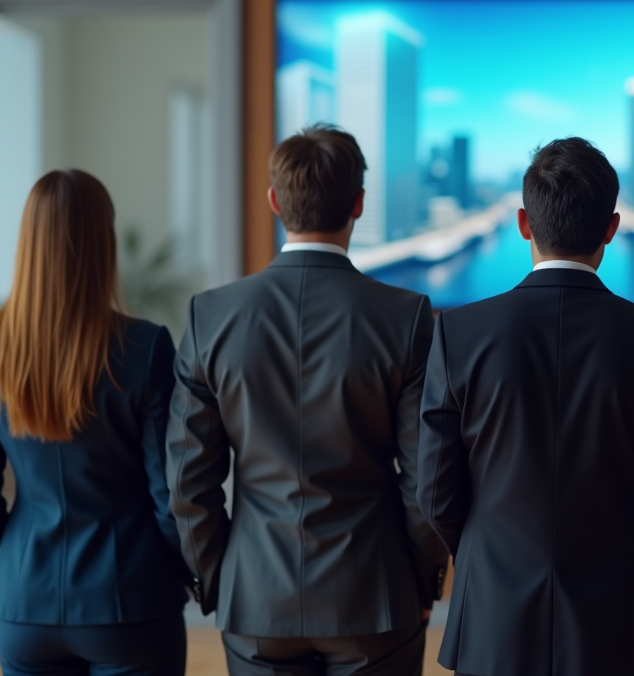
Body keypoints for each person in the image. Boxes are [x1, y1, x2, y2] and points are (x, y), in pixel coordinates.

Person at [166, 124, 448, 676]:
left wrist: (220, 579)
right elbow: (426, 477)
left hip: (255, 599)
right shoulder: (406, 316)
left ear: (275, 201)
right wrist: (420, 580)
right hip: (374, 596)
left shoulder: (210, 317)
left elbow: (187, 481)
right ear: (360, 204)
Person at [417, 137, 634, 676]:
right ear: (611, 229)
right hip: (611, 612)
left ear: (524, 223)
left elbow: (433, 487)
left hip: (491, 612)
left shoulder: (458, 333)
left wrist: (482, 549)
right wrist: (618, 549)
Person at [0, 170, 189, 676]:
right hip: (130, 601)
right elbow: (167, 495)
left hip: (25, 610)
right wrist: (182, 573)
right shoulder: (144, 349)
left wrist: (18, 573)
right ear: (103, 243)